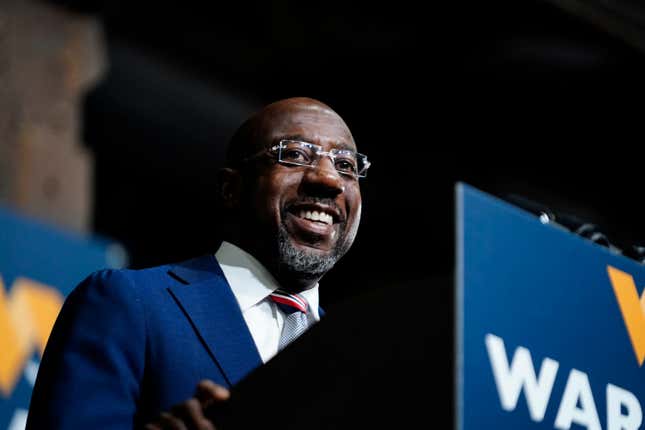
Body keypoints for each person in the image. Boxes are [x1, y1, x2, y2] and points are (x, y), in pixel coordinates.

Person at [26, 97, 370, 429]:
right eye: (295, 155)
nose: (328, 180)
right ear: (231, 188)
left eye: (346, 166)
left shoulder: (357, 362)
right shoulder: (129, 304)